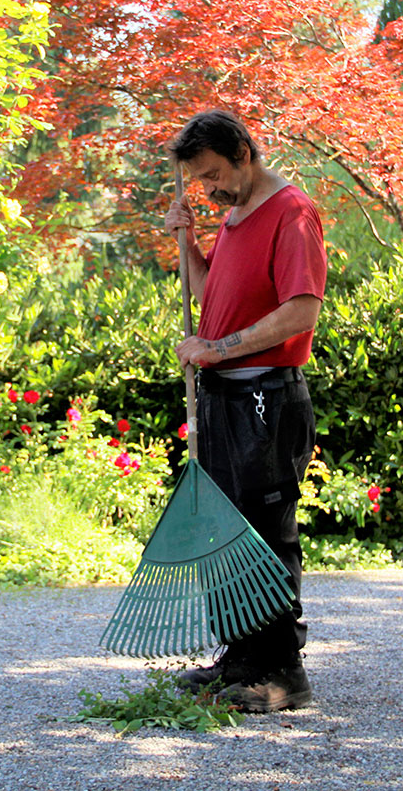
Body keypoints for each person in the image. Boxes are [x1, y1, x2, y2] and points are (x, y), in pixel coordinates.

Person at [163, 109, 327, 713]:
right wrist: (188, 245)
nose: (209, 191)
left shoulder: (291, 213)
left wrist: (215, 349)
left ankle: (284, 676)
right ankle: (240, 661)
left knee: (266, 534)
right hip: (226, 397)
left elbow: (300, 312)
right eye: (200, 182)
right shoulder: (235, 218)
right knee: (228, 534)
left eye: (213, 175)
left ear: (242, 151)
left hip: (267, 398)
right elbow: (213, 299)